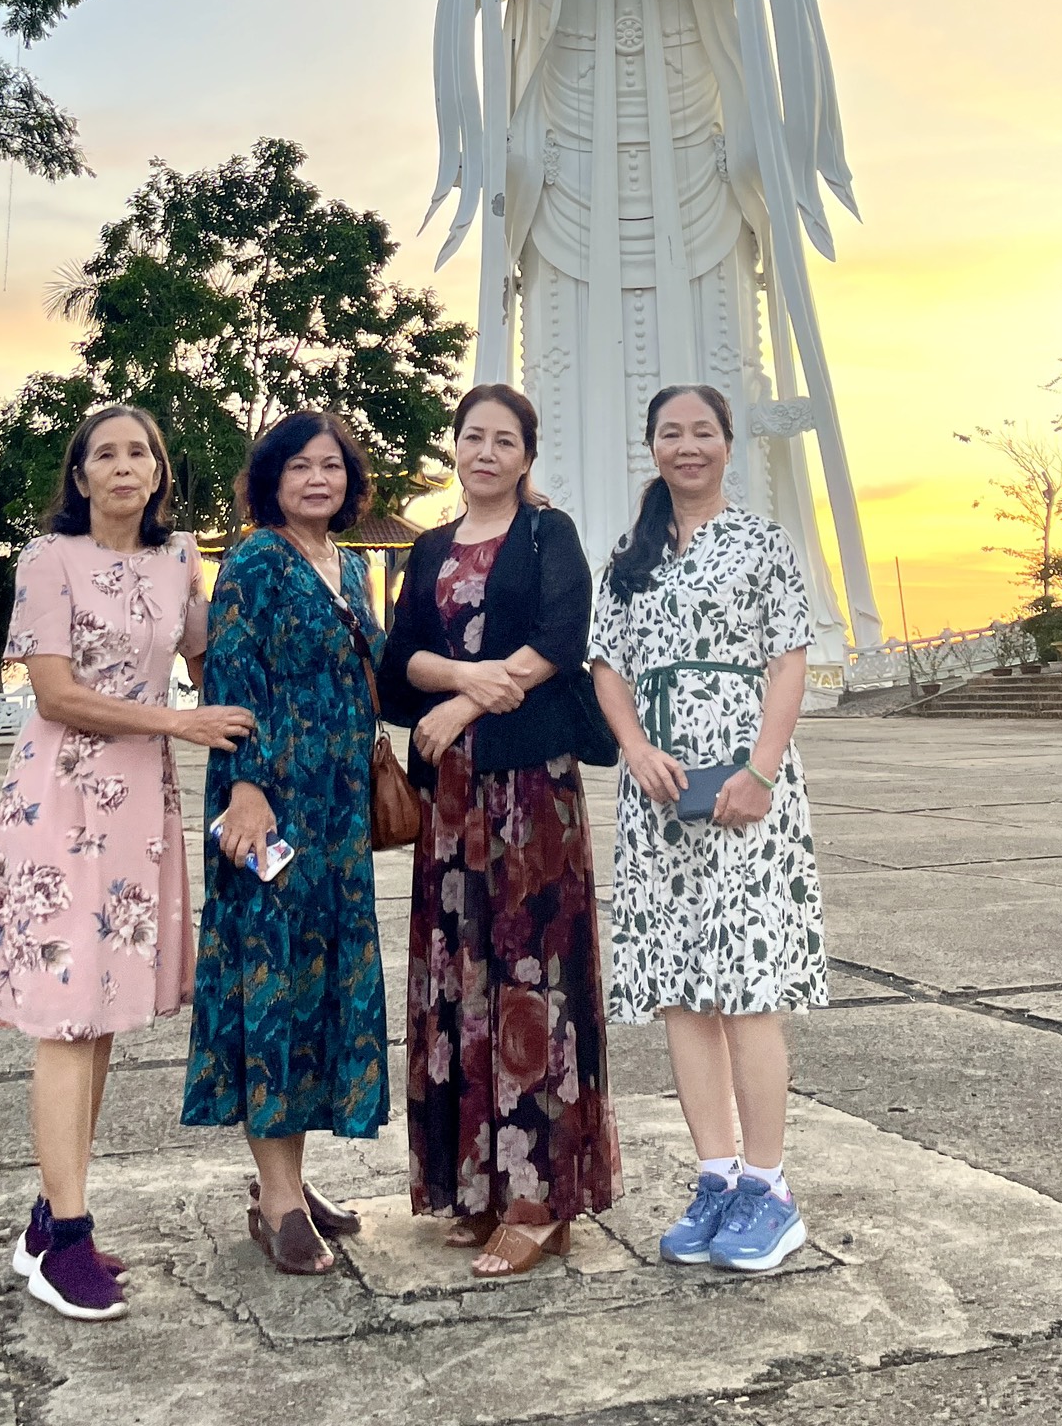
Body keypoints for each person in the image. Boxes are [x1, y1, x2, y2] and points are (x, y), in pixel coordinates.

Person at [0, 405, 255, 1323]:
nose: (125, 465)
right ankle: (67, 1242)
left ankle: (50, 1220)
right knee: (66, 1017)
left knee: (104, 1015)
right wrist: (178, 723)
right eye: (105, 454)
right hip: (62, 799)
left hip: (140, 811)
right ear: (80, 477)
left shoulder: (179, 559)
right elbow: (56, 693)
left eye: (140, 453)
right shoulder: (50, 560)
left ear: (160, 473)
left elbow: (211, 658)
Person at [377, 383, 621, 1279]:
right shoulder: (429, 547)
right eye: (472, 437)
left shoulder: (548, 535)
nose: (485, 452)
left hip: (530, 789)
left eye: (504, 440)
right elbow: (398, 666)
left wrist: (465, 705)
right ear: (455, 446)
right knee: (462, 977)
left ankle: (539, 1199)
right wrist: (462, 685)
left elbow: (561, 638)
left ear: (527, 455)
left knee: (531, 977)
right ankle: (478, 1187)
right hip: (449, 800)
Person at [588, 383, 827, 1278]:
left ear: (728, 443)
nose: (686, 446)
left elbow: (788, 661)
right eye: (670, 433)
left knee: (748, 984)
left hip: (743, 786)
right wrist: (635, 748)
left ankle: (769, 1188)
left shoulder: (763, 543)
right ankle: (716, 1176)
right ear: (652, 446)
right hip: (657, 794)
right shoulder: (631, 555)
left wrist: (760, 772)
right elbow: (607, 665)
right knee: (682, 990)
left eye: (702, 432)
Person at [181, 412, 390, 1276]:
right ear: (271, 478)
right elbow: (232, 676)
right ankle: (276, 1202)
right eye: (299, 465)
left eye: (330, 465)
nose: (316, 479)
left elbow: (375, 669)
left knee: (319, 986)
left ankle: (292, 1182)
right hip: (270, 804)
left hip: (338, 812)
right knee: (271, 984)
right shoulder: (255, 561)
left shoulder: (349, 566)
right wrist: (248, 786)